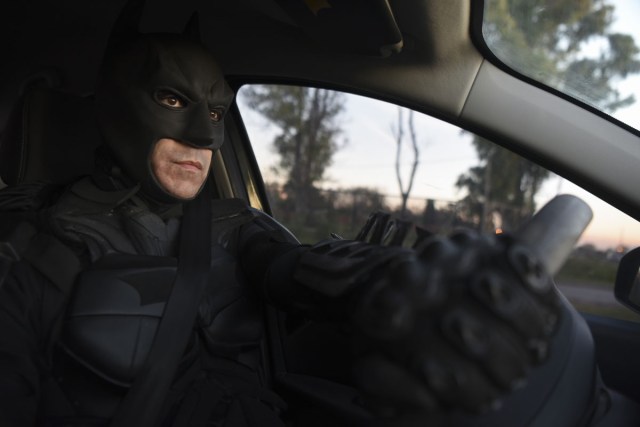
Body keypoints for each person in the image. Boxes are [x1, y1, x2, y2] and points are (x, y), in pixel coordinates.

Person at [0, 16, 562, 427]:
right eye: (173, 100)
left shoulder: (230, 223)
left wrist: (410, 288)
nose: (207, 135)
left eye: (217, 111)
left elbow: (297, 266)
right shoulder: (35, 247)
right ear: (119, 106)